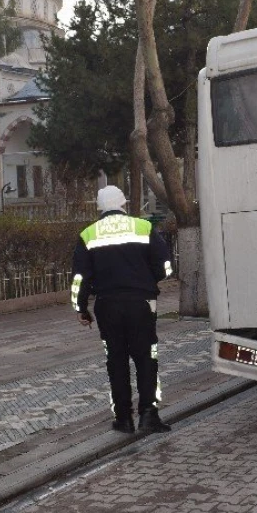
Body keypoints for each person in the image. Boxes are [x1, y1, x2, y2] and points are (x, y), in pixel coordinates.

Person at [71, 185, 174, 434]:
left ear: (100, 208)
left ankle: (123, 418)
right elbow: (167, 265)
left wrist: (81, 309)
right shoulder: (143, 227)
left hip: (107, 306)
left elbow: (79, 278)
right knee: (146, 358)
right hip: (142, 303)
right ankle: (149, 415)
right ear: (123, 205)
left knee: (115, 361)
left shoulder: (88, 234)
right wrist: (149, 281)